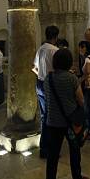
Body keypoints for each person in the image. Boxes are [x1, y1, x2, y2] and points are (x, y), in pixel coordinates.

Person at [44, 48, 90, 179]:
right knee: (74, 150)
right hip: (70, 123)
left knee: (52, 157)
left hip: (52, 122)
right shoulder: (71, 78)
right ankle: (77, 178)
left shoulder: (48, 78)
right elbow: (81, 100)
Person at [33, 25, 59, 159]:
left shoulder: (41, 49)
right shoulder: (55, 51)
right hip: (50, 85)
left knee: (44, 116)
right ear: (56, 37)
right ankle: (49, 148)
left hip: (40, 84)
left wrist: (41, 75)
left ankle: (44, 147)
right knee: (52, 117)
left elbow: (34, 68)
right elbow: (59, 71)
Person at [78, 40, 90, 140]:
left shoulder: (87, 59)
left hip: (89, 86)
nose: (80, 50)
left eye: (81, 47)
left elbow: (88, 71)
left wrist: (82, 80)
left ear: (85, 48)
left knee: (88, 109)